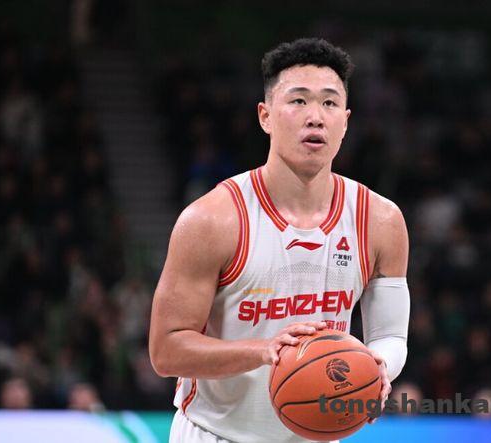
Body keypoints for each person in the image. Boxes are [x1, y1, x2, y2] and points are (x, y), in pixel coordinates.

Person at [149, 37, 410, 443]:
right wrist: (265, 350)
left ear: (345, 121)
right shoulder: (212, 219)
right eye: (299, 100)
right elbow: (166, 352)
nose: (315, 117)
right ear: (265, 116)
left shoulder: (380, 220)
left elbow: (390, 337)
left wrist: (376, 368)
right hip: (216, 433)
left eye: (329, 103)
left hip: (318, 434)